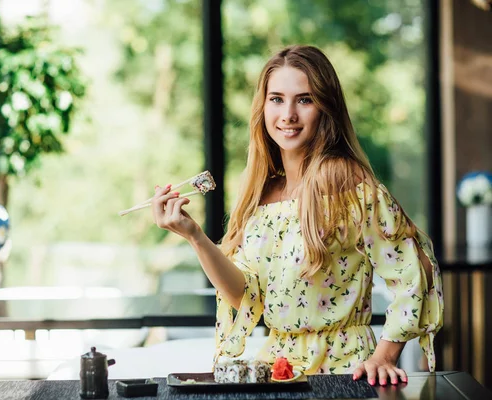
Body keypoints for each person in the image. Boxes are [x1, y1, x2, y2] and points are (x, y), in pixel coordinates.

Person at [150, 45, 443, 386]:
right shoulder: (264, 191)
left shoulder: (345, 181)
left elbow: (414, 269)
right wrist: (194, 236)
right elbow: (244, 293)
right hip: (278, 372)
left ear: (326, 108)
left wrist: (384, 355)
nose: (288, 114)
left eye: (304, 99)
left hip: (342, 371)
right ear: (263, 108)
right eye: (276, 99)